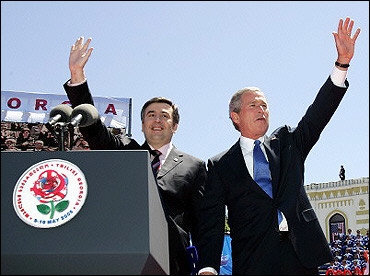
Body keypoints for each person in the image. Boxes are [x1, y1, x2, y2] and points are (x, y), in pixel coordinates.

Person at [196, 17, 361, 275]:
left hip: (302, 258)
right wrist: (207, 267)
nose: (262, 109)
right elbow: (212, 222)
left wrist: (342, 64)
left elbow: (317, 114)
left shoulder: (287, 143)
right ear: (235, 116)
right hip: (254, 263)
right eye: (253, 105)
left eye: (264, 105)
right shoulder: (220, 166)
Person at [62, 36, 207, 275]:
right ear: (141, 124)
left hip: (173, 263)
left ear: (175, 125)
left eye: (164, 115)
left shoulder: (195, 166)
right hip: (122, 256)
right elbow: (94, 128)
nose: (157, 119)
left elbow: (202, 224)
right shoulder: (126, 152)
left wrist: (206, 266)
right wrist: (77, 77)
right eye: (150, 114)